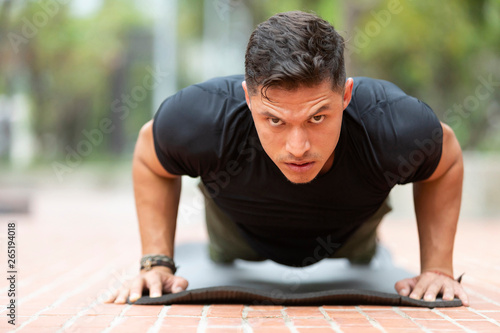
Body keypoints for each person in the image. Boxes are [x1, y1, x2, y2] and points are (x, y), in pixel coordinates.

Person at [106, 11, 468, 306]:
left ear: (346, 94)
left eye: (317, 117)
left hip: (352, 233)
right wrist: (156, 261)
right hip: (235, 233)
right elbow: (148, 155)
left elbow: (446, 159)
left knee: (364, 255)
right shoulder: (202, 118)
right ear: (247, 98)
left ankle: (367, 248)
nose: (297, 147)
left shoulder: (392, 123)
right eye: (275, 119)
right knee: (222, 255)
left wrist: (438, 268)